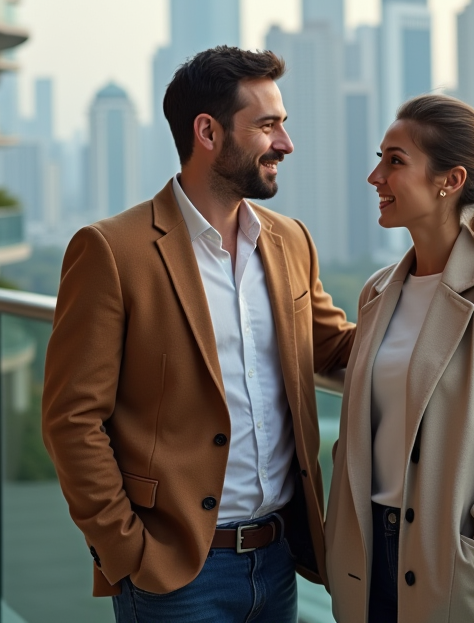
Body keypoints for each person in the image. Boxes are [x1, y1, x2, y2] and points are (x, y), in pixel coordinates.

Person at [42, 46, 356, 623]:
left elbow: (336, 345)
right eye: (267, 125)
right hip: (175, 574)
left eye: (282, 124)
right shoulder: (112, 251)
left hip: (282, 558)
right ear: (207, 132)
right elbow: (72, 418)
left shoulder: (290, 242)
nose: (285, 143)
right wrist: (127, 550)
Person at [324, 94, 474, 623]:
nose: (375, 177)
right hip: (367, 559)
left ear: (450, 180)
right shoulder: (376, 294)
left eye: (395, 161)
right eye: (379, 158)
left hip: (453, 563)